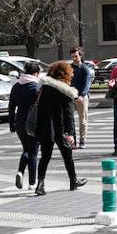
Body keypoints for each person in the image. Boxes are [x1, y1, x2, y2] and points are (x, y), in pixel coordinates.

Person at [34, 60, 86, 195]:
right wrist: (71, 135)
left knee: (45, 156)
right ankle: (73, 181)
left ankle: (40, 184)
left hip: (45, 127)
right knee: (67, 155)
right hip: (61, 129)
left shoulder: (43, 88)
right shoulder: (66, 92)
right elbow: (69, 116)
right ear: (65, 74)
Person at [8, 62, 40, 191]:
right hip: (33, 122)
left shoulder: (16, 86)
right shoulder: (36, 87)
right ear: (36, 73)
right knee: (33, 152)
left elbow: (11, 107)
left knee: (26, 149)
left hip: (19, 121)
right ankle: (32, 182)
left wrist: (11, 123)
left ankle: (20, 172)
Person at [69, 47, 94, 148]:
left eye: (76, 56)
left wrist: (82, 95)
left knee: (83, 119)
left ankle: (82, 139)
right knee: (69, 119)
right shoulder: (69, 67)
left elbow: (87, 84)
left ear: (80, 56)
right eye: (72, 57)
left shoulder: (84, 68)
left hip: (81, 97)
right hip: (71, 95)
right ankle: (72, 139)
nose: (74, 58)